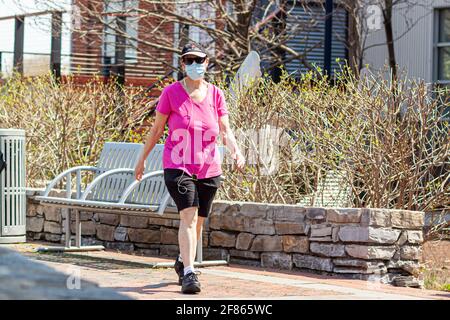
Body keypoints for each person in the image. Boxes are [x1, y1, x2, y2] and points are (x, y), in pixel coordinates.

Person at [134, 42, 245, 294]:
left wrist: (236, 151)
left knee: (199, 222)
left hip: (209, 168)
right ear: (183, 64)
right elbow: (156, 130)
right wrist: (141, 159)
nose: (195, 65)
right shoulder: (171, 93)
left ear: (207, 63)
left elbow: (225, 130)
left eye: (199, 60)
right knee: (189, 216)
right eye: (189, 61)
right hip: (178, 165)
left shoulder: (216, 94)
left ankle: (184, 260)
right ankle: (189, 274)